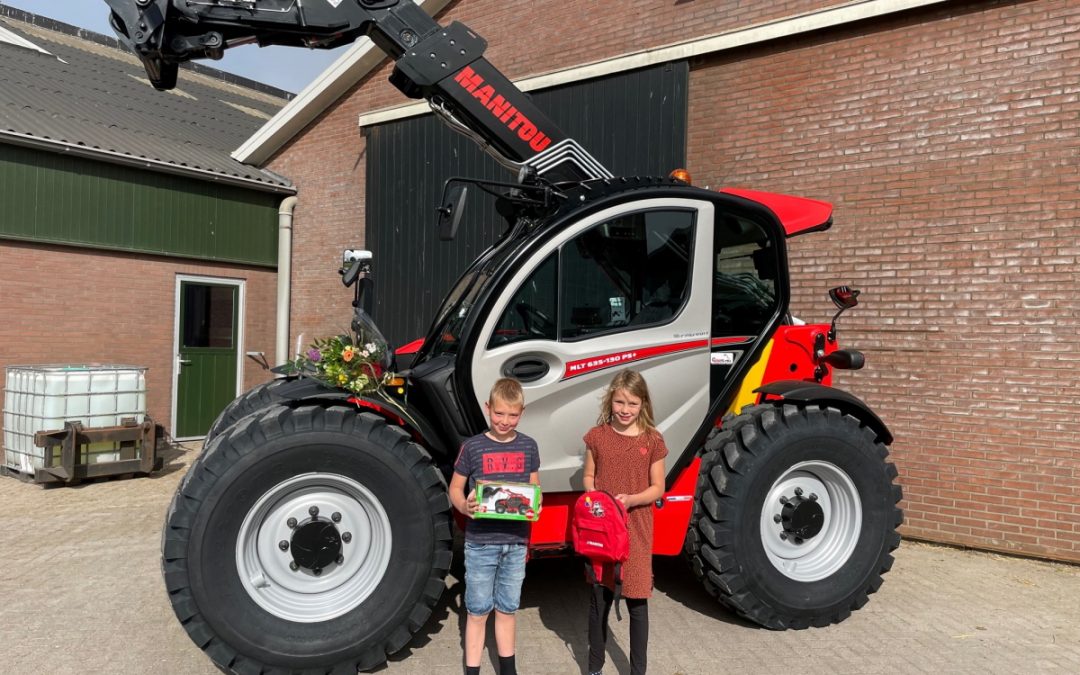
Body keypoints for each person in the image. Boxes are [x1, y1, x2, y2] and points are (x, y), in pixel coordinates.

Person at [449, 377, 540, 675]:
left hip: (515, 544)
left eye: (512, 415)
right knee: (477, 612)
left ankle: (508, 670)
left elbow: (534, 490)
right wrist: (464, 506)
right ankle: (472, 670)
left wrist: (535, 505)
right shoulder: (473, 447)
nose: (505, 420)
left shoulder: (529, 446)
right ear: (488, 408)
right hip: (480, 543)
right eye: (499, 413)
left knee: (507, 609)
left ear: (522, 413)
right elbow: (455, 489)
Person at [582, 369, 668, 675]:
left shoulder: (652, 440)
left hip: (637, 530)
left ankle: (637, 671)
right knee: (599, 601)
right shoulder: (597, 436)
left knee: (637, 602)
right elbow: (589, 477)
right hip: (604, 532)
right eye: (620, 402)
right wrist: (595, 500)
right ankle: (594, 667)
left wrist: (631, 499)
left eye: (632, 403)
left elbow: (659, 488)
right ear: (611, 400)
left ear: (643, 404)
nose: (625, 410)